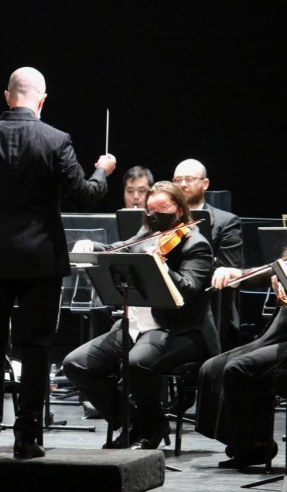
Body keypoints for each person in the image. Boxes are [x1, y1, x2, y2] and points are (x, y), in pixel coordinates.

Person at [0, 67, 116, 459]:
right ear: (41, 100)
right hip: (41, 259)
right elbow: (85, 196)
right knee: (36, 348)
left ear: (7, 95)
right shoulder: (57, 140)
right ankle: (26, 438)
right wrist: (102, 171)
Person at [63, 181, 219, 450]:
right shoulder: (148, 233)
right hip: (136, 326)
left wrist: (160, 267)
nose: (156, 215)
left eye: (163, 208)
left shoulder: (196, 244)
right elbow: (119, 248)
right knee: (76, 365)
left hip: (179, 330)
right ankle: (136, 420)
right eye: (150, 210)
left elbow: (190, 290)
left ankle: (148, 427)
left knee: (136, 363)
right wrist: (93, 246)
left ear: (180, 210)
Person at [196, 261, 287, 469]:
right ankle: (240, 443)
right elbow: (269, 271)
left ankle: (256, 445)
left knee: (238, 368)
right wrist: (236, 273)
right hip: (277, 336)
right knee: (213, 367)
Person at [173, 158, 243, 351]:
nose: (183, 185)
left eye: (189, 179)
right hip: (171, 305)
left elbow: (229, 267)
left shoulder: (226, 222)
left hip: (210, 308)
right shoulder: (166, 221)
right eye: (177, 180)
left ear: (205, 183)